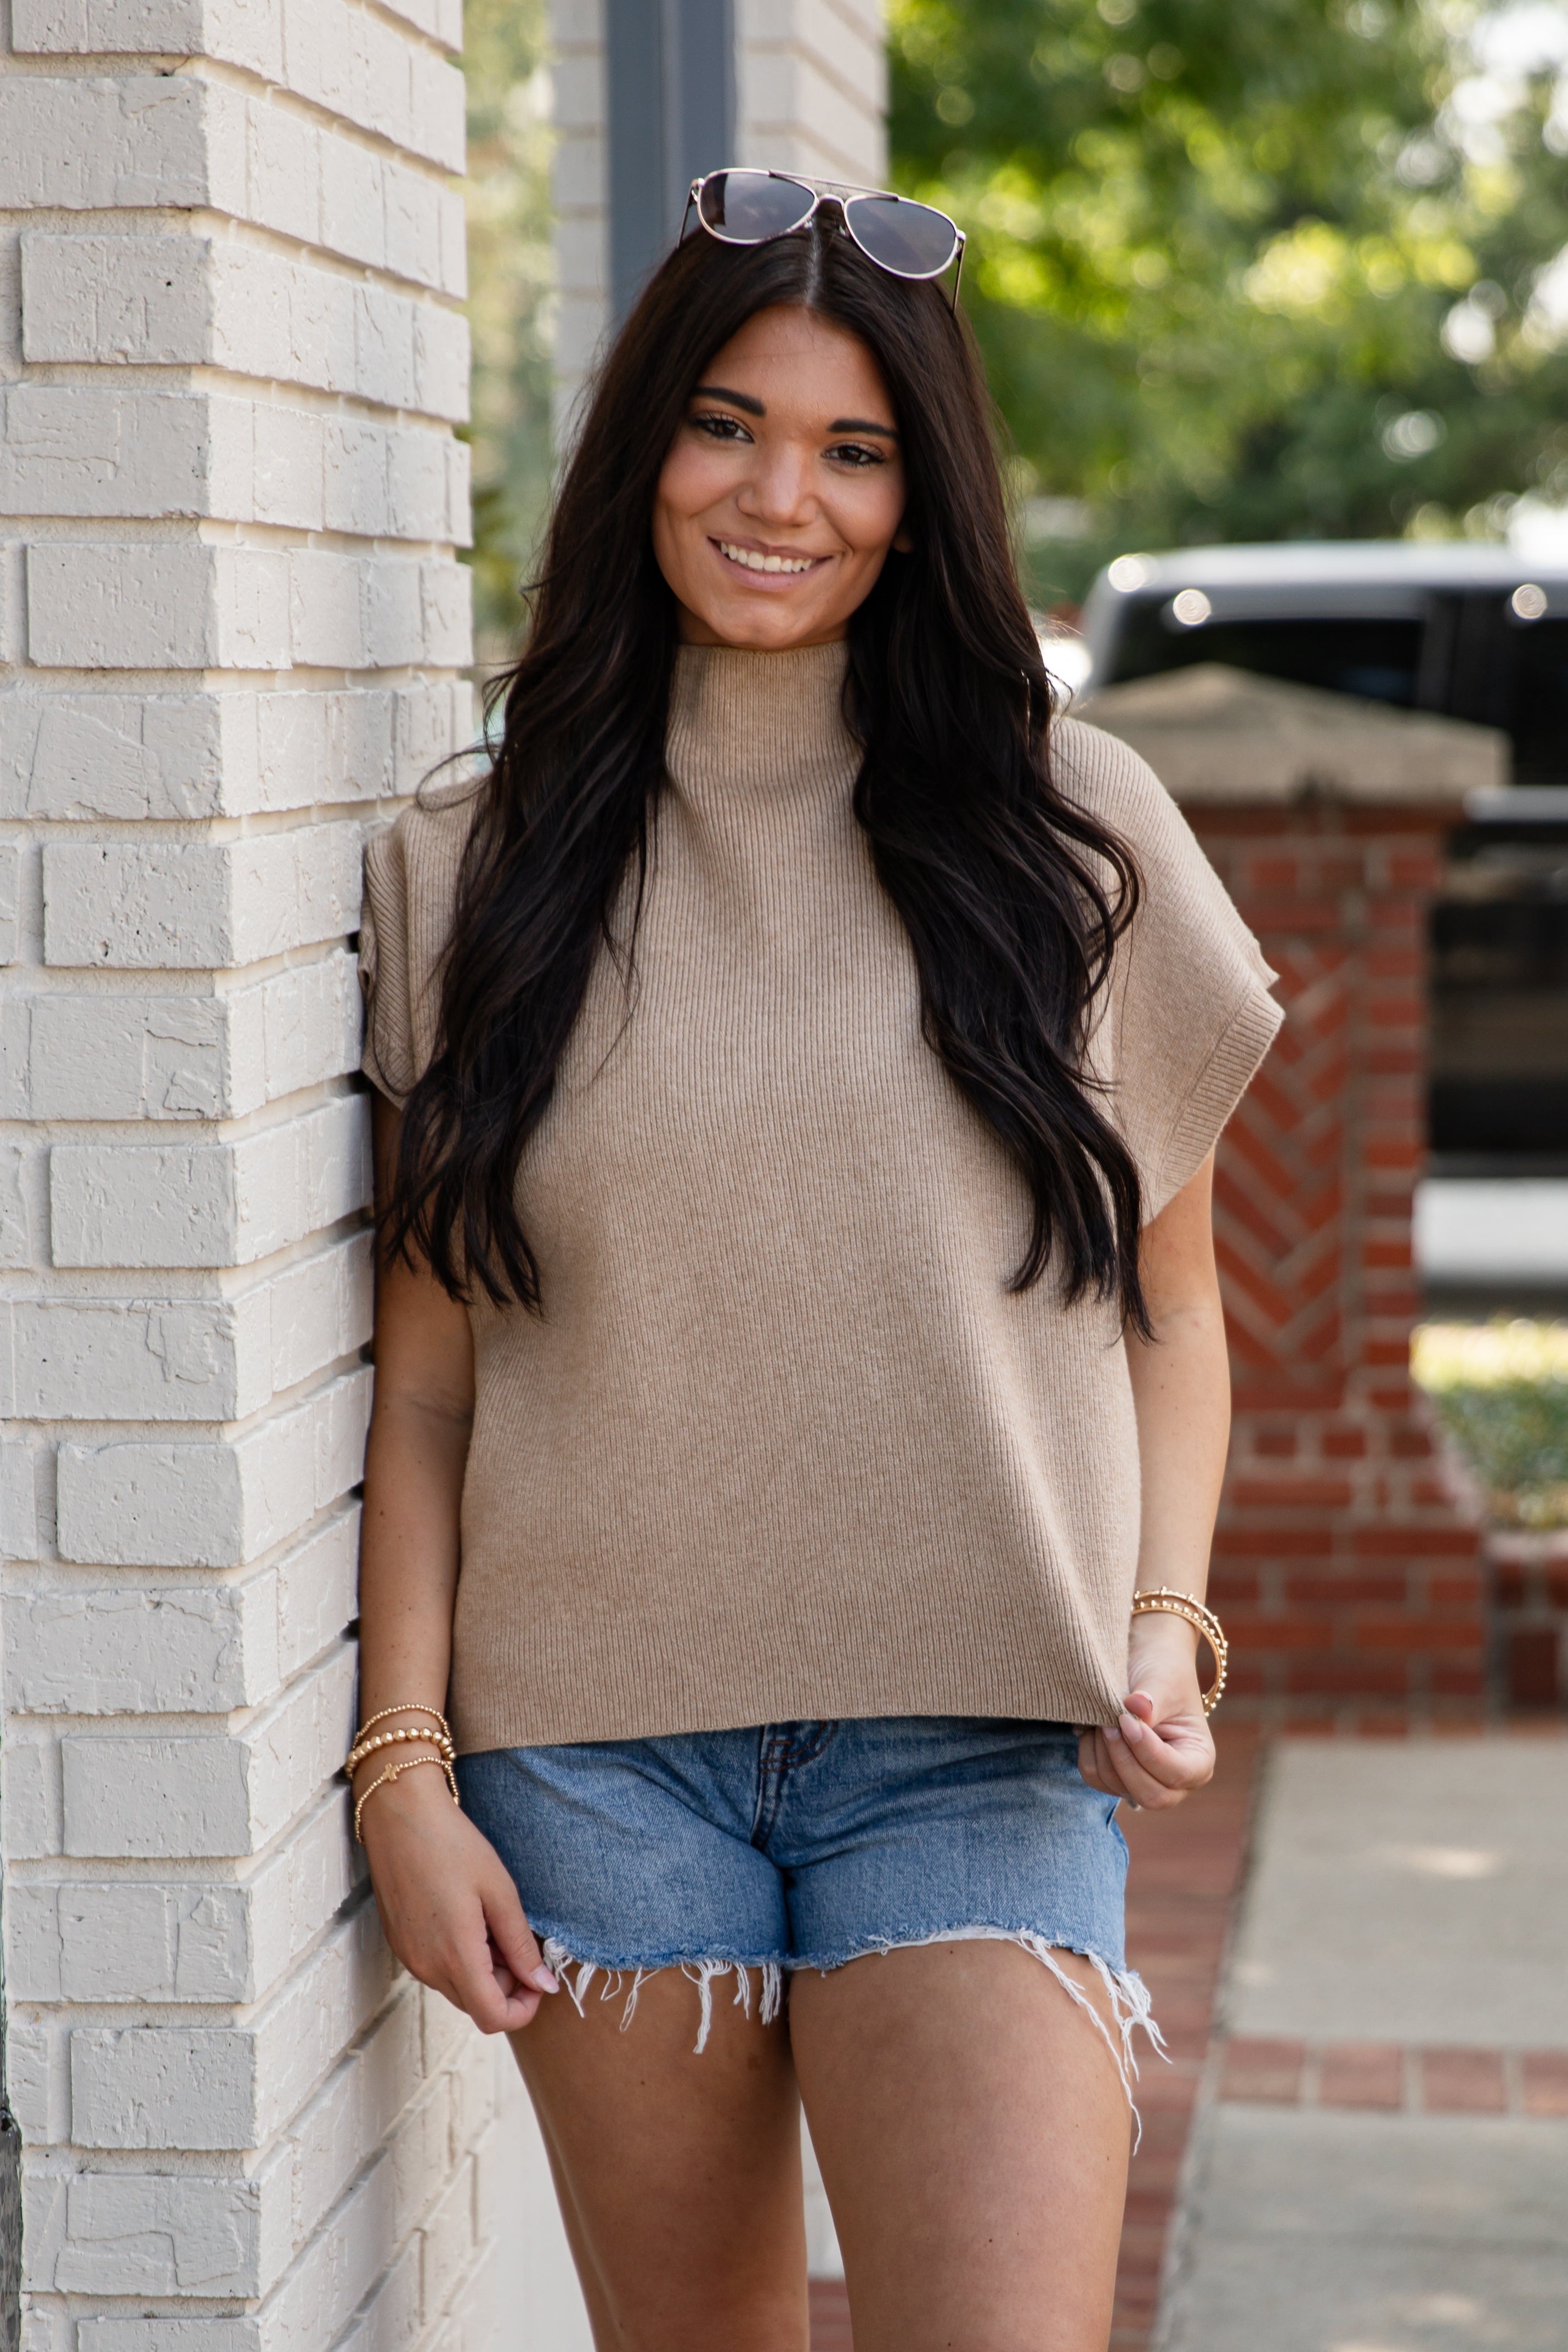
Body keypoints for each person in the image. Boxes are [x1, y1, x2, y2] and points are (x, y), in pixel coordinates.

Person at [349, 171, 1280, 2352]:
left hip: (976, 1749)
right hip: (595, 1769)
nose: (784, 496)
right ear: (637, 449)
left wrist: (1165, 1615)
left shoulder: (1076, 833)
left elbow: (1177, 1317)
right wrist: (404, 1775)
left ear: (921, 493)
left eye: (853, 448)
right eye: (726, 424)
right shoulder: (473, 866)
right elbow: (428, 1378)